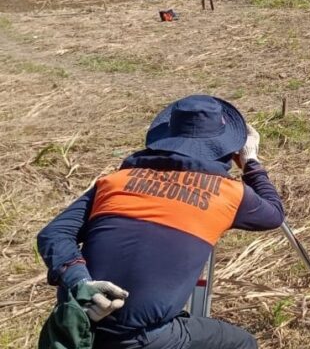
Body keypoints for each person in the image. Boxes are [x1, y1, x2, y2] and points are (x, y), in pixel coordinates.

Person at [37, 95, 285, 349]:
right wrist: (251, 161)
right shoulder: (229, 193)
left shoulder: (116, 181)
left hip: (77, 324)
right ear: (228, 149)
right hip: (139, 338)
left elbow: (53, 234)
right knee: (242, 343)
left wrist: (81, 283)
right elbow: (274, 214)